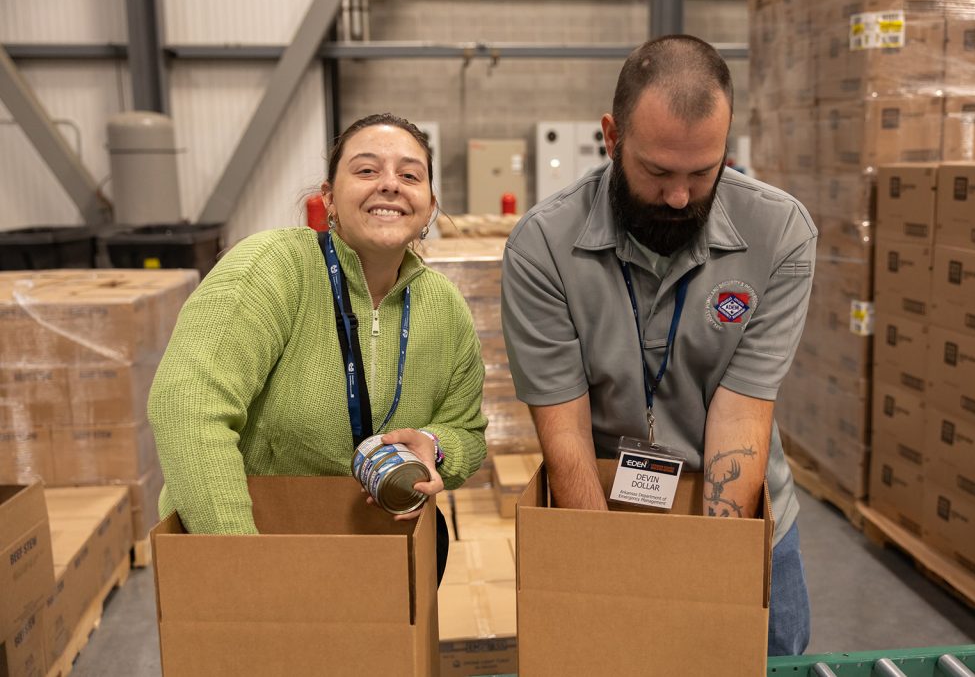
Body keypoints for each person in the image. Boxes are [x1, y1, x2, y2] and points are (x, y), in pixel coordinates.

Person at [500, 35, 814, 655]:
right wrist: (608, 578)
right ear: (612, 137)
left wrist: (717, 579)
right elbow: (566, 434)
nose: (679, 197)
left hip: (743, 522)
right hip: (602, 507)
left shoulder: (779, 234)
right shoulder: (543, 248)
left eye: (703, 173)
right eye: (658, 172)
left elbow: (741, 417)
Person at [149, 113, 488, 584]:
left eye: (410, 175)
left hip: (374, 548)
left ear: (429, 207)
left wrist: (434, 446)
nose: (390, 184)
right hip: (249, 542)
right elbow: (187, 406)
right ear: (329, 197)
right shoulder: (273, 269)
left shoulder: (444, 307)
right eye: (367, 170)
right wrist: (244, 564)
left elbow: (467, 431)